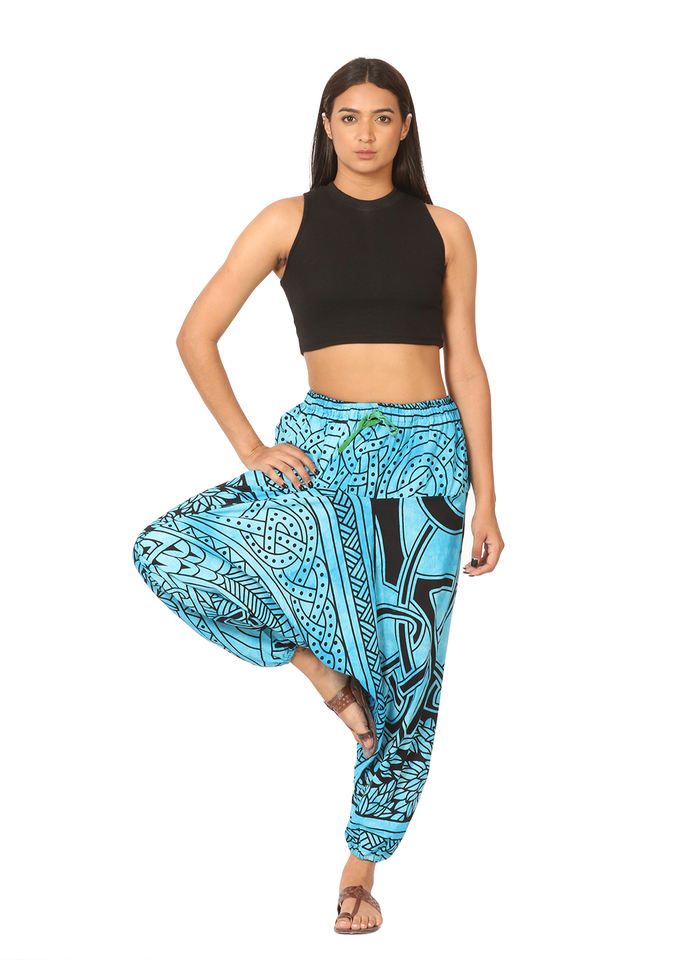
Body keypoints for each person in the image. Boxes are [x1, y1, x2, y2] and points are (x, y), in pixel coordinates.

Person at [131, 56, 504, 935]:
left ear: (405, 127)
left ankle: (360, 869)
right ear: (326, 126)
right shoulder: (285, 220)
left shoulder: (446, 229)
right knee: (165, 549)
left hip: (427, 460)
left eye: (383, 117)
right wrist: (250, 447)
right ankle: (324, 673)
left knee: (411, 672)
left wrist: (488, 498)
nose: (365, 133)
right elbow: (195, 334)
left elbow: (467, 363)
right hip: (325, 446)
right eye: (349, 116)